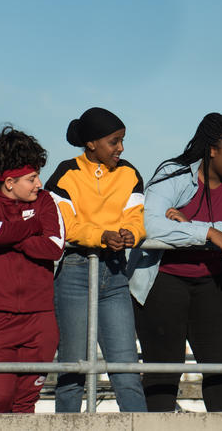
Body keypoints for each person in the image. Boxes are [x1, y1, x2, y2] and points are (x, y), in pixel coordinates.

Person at [128, 112, 222, 412]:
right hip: (164, 283)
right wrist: (209, 233)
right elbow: (152, 224)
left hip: (214, 283)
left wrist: (187, 225)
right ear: (212, 150)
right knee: (162, 377)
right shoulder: (173, 173)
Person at [44, 107, 147, 412]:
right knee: (72, 369)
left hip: (115, 275)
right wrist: (101, 235)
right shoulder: (65, 173)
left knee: (126, 369)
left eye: (122, 141)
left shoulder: (130, 174)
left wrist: (130, 233)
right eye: (114, 141)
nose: (121, 148)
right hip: (74, 272)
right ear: (91, 143)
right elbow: (65, 226)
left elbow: (135, 218)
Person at [0, 125, 65, 413]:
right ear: (10, 182)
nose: (39, 184)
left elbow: (54, 247)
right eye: (32, 178)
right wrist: (32, 227)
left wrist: (15, 238)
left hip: (40, 318)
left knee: (26, 403)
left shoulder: (46, 200)